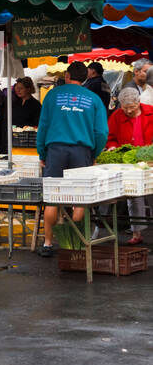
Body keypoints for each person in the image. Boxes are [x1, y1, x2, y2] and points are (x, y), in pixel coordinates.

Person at [37, 61, 109, 256]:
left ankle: (48, 244)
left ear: (68, 76)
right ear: (85, 77)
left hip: (55, 150)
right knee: (79, 199)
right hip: (81, 151)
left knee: (52, 198)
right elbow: (102, 132)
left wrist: (42, 153)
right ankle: (74, 242)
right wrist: (94, 153)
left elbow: (42, 127)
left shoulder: (52, 95)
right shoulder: (94, 99)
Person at [108, 86, 153, 244]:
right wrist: (113, 147)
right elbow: (111, 136)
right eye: (125, 108)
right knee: (133, 197)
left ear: (139, 102)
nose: (128, 111)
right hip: (129, 164)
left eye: (132, 107)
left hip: (150, 162)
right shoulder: (117, 116)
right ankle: (136, 234)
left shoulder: (150, 112)